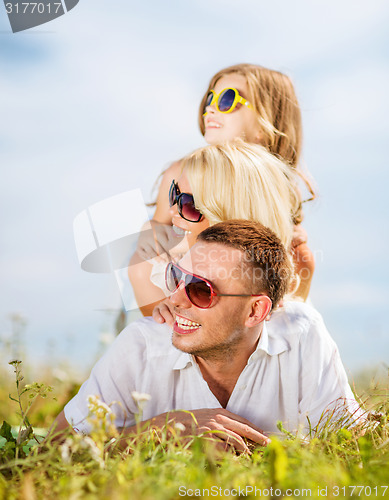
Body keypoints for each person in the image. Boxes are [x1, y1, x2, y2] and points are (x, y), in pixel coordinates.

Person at [54, 221, 362, 452]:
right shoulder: (140, 347)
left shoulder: (302, 336)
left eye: (200, 289)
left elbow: (353, 448)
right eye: (176, 277)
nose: (174, 299)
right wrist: (159, 430)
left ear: (255, 311)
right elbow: (53, 449)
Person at [130, 64, 315, 314]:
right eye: (210, 98)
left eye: (228, 99)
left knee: (303, 259)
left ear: (263, 124)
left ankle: (276, 316)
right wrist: (150, 232)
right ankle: (161, 327)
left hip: (248, 278)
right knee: (140, 263)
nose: (211, 107)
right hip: (193, 273)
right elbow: (161, 224)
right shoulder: (185, 171)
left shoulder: (275, 184)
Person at [129, 141, 301, 317]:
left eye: (189, 204)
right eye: (174, 194)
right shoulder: (156, 274)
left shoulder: (291, 302)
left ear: (230, 215)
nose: (172, 210)